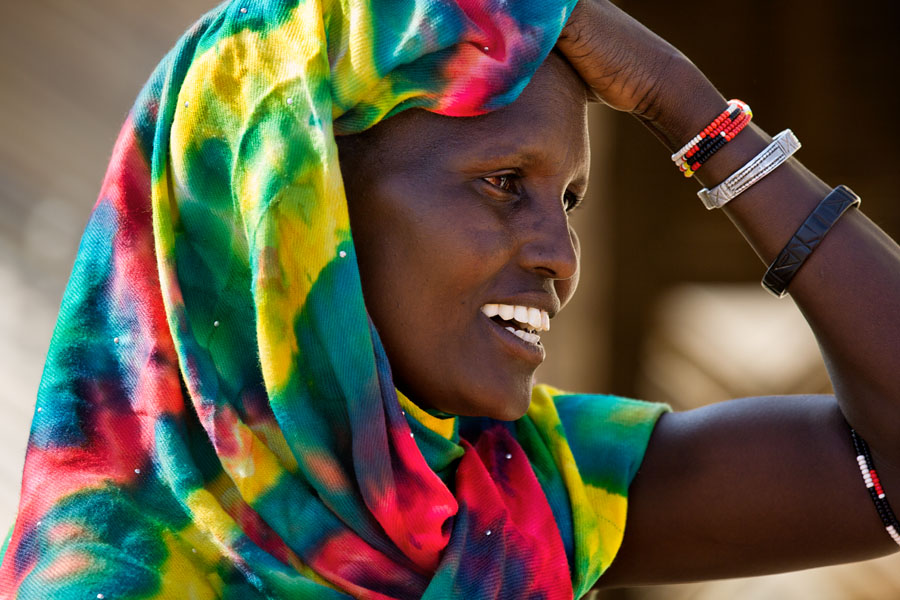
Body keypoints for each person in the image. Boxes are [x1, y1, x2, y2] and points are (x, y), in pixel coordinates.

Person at [1, 0, 898, 598]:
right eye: (505, 181)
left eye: (570, 200)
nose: (562, 255)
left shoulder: (527, 492)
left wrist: (690, 107)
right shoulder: (109, 571)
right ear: (299, 211)